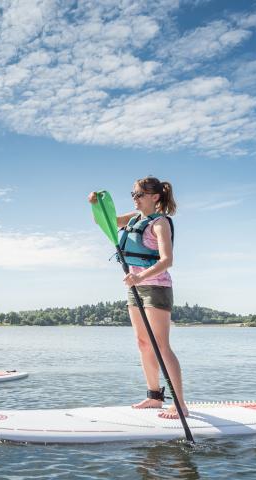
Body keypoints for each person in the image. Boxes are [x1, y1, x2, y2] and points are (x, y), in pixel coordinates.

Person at [88, 177, 188, 419]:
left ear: (155, 197)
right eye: (133, 194)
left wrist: (140, 277)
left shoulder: (160, 223)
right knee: (143, 343)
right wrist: (94, 204)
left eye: (140, 194)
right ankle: (154, 397)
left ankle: (180, 404)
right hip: (135, 287)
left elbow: (167, 260)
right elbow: (105, 222)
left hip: (156, 287)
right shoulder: (133, 219)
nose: (135, 198)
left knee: (161, 346)